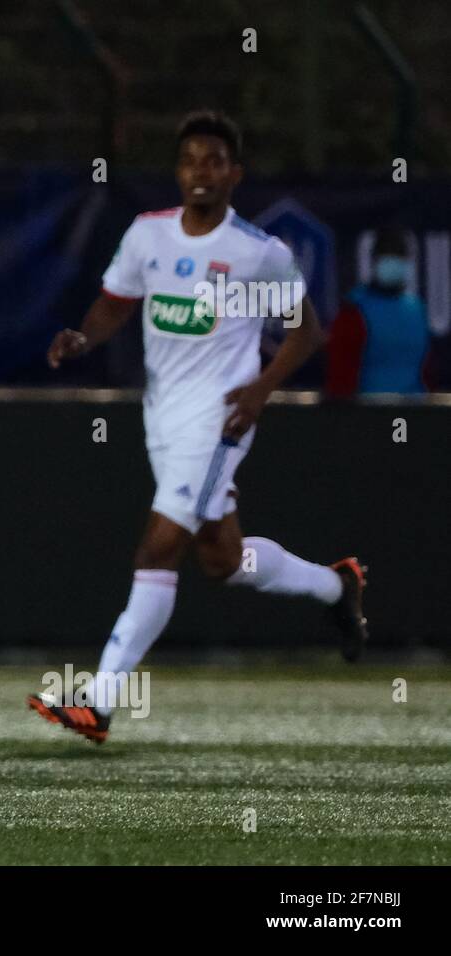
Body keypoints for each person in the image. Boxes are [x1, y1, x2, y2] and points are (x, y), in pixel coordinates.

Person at [31, 110, 368, 744]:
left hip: (220, 419)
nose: (201, 172)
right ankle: (335, 584)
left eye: (215, 161)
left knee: (157, 548)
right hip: (163, 417)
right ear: (178, 172)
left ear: (234, 174)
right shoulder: (147, 237)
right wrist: (83, 335)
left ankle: (99, 700)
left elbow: (307, 333)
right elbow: (113, 305)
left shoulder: (258, 253)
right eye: (190, 161)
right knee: (221, 559)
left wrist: (263, 389)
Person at [326, 226, 433, 395]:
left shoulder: (417, 309)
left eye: (398, 255)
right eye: (387, 255)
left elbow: (427, 370)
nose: (393, 261)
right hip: (370, 414)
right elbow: (341, 375)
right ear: (374, 261)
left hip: (415, 412)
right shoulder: (354, 310)